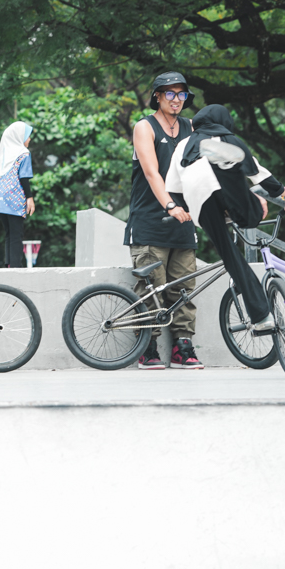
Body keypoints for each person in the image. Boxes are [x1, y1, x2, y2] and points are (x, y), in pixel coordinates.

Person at [164, 105, 285, 333]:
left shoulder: (183, 146)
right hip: (229, 192)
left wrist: (188, 210)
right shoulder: (227, 139)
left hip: (202, 204)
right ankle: (243, 200)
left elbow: (173, 188)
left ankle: (261, 316)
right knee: (251, 215)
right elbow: (258, 173)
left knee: (231, 257)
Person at [124, 71, 202, 369]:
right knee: (150, 288)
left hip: (183, 222)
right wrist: (169, 204)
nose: (176, 99)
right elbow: (151, 172)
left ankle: (183, 347)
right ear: (157, 96)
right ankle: (147, 347)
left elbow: (200, 172)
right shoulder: (145, 127)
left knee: (184, 287)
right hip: (150, 222)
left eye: (181, 94)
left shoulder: (191, 127)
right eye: (170, 93)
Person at [0, 121, 35, 267]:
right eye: (27, 136)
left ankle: (9, 264)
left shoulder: (2, 158)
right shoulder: (23, 154)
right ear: (19, 136)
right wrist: (29, 197)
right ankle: (16, 267)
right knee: (17, 234)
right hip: (15, 198)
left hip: (0, 199)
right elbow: (24, 177)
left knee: (9, 233)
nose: (29, 139)